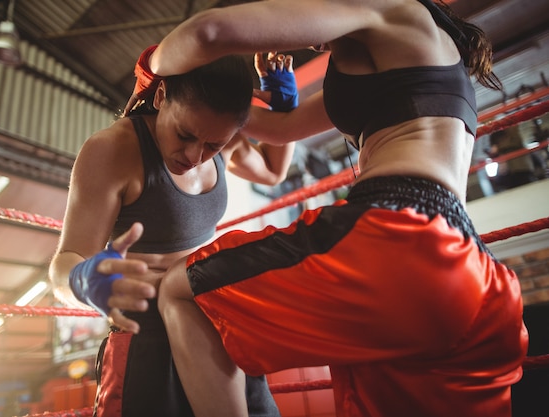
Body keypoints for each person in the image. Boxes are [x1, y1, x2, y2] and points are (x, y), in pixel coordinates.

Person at [120, 1, 529, 416]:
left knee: (180, 290)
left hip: (398, 238)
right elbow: (282, 129)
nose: (315, 45)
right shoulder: (417, 55)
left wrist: (151, 74)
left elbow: (205, 33)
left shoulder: (388, 7)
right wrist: (218, 104)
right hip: (473, 272)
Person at [49, 51, 298, 416]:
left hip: (216, 319)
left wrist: (284, 103)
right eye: (185, 135)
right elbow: (63, 265)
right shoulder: (114, 150)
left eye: (212, 145)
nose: (195, 155)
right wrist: (85, 282)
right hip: (148, 330)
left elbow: (273, 171)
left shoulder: (220, 135)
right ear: (162, 96)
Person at [486, 125, 536, 191]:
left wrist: (497, 146)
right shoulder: (496, 134)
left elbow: (516, 141)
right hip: (510, 169)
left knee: (525, 186)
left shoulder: (511, 128)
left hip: (519, 166)